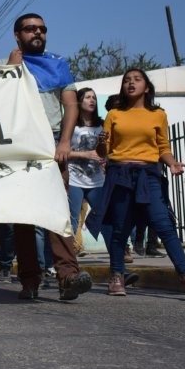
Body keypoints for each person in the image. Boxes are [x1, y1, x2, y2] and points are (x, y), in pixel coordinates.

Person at [0, 13, 93, 301]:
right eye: (30, 29)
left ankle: (68, 276)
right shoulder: (3, 66)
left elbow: (71, 106)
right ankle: (29, 280)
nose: (37, 33)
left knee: (56, 212)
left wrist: (64, 142)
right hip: (18, 145)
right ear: (17, 35)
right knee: (24, 217)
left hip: (50, 144)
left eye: (42, 29)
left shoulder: (58, 63)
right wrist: (13, 71)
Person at [90, 69, 185, 299]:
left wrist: (173, 163)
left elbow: (163, 147)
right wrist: (101, 143)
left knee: (163, 224)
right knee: (120, 228)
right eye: (126, 81)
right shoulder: (114, 114)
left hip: (148, 175)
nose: (131, 83)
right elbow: (103, 152)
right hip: (120, 174)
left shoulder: (158, 115)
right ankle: (116, 276)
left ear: (147, 87)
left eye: (136, 79)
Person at [67, 87, 105, 256]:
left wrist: (106, 158)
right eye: (87, 97)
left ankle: (118, 259)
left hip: (98, 180)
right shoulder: (71, 125)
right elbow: (61, 151)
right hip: (75, 178)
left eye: (94, 98)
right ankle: (68, 259)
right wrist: (84, 153)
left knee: (104, 216)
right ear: (79, 101)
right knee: (72, 219)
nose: (92, 100)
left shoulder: (102, 125)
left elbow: (107, 151)